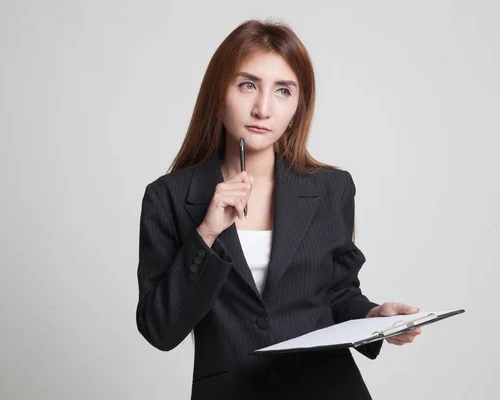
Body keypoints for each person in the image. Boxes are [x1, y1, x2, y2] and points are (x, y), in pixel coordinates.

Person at [136, 19, 421, 400]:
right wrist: (205, 233)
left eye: (283, 91)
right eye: (247, 85)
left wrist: (374, 318)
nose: (263, 108)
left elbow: (337, 294)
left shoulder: (330, 189)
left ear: (297, 107)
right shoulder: (167, 197)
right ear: (218, 92)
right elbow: (161, 329)